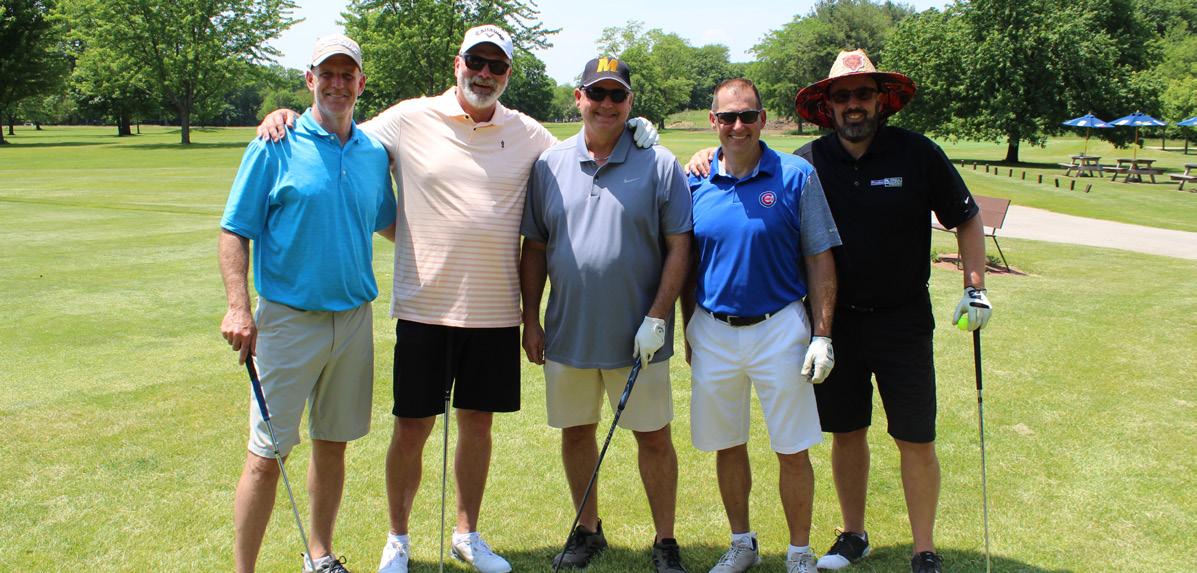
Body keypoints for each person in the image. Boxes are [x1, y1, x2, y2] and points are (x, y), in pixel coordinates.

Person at [257, 25, 659, 573]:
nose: (485, 74)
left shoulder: (528, 133)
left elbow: (586, 147)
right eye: (477, 62)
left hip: (494, 312)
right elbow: (338, 131)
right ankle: (398, 540)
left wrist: (634, 128)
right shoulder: (408, 118)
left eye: (497, 66)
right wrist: (286, 114)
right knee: (412, 428)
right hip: (423, 307)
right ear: (458, 63)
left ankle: (467, 534)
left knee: (477, 425)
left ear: (508, 74)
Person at [219, 34, 396, 573]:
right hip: (288, 322)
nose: (337, 84)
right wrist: (238, 307)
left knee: (333, 443)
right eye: (328, 74)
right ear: (310, 79)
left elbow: (389, 223)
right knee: (267, 454)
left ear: (361, 82)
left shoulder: (372, 154)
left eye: (347, 75)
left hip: (354, 319)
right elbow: (235, 229)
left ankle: (320, 555)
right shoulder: (274, 144)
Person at [519, 57, 692, 573]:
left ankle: (665, 540)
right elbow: (535, 246)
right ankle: (588, 530)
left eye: (618, 95)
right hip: (569, 331)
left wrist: (658, 317)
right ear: (579, 98)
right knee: (576, 432)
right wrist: (532, 319)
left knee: (653, 437)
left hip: (639, 336)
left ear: (630, 102)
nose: (607, 104)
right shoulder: (549, 164)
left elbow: (679, 245)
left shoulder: (658, 162)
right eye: (597, 93)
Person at [681, 78, 840, 573]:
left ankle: (799, 552)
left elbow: (819, 258)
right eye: (728, 117)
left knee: (792, 446)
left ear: (762, 119)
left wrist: (822, 334)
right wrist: (688, 327)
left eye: (747, 116)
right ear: (713, 121)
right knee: (727, 443)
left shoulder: (795, 175)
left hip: (780, 328)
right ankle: (742, 544)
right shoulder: (694, 179)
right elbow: (684, 262)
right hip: (713, 329)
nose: (738, 126)